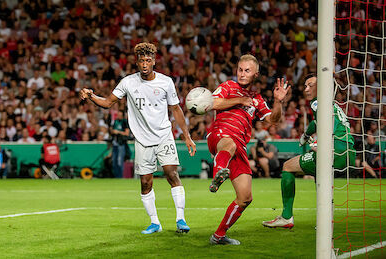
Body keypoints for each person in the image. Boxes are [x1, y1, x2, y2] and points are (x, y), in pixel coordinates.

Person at [79, 42, 196, 234]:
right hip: (142, 139)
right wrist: (91, 96)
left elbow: (175, 109)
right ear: (137, 62)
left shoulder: (166, 82)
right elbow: (108, 102)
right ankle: (155, 223)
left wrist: (187, 136)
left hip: (164, 135)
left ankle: (181, 219)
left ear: (154, 61)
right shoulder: (128, 82)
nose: (144, 64)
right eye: (141, 60)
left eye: (148, 60)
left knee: (171, 173)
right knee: (145, 182)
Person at [207, 54, 289, 245]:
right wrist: (239, 101)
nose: (242, 74)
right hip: (220, 136)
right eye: (240, 70)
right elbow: (212, 103)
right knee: (230, 142)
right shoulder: (228, 86)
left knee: (245, 198)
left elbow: (273, 120)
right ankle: (218, 172)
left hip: (239, 148)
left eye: (247, 71)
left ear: (256, 74)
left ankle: (218, 236)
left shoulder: (257, 99)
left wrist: (278, 101)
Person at [263, 73, 356, 228]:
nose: (306, 89)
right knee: (319, 176)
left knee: (287, 166)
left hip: (335, 148)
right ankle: (326, 219)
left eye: (310, 85)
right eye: (305, 86)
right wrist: (306, 135)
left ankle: (286, 217)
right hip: (348, 151)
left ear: (322, 87)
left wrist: (321, 143)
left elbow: (330, 125)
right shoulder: (332, 104)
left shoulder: (317, 102)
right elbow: (317, 122)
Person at [110, 110, 130, 178]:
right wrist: (113, 131)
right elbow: (112, 130)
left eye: (119, 115)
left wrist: (118, 132)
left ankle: (120, 176)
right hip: (115, 143)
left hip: (121, 144)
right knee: (114, 161)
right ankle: (116, 176)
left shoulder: (124, 122)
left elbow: (127, 133)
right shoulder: (115, 121)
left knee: (119, 161)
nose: (118, 116)